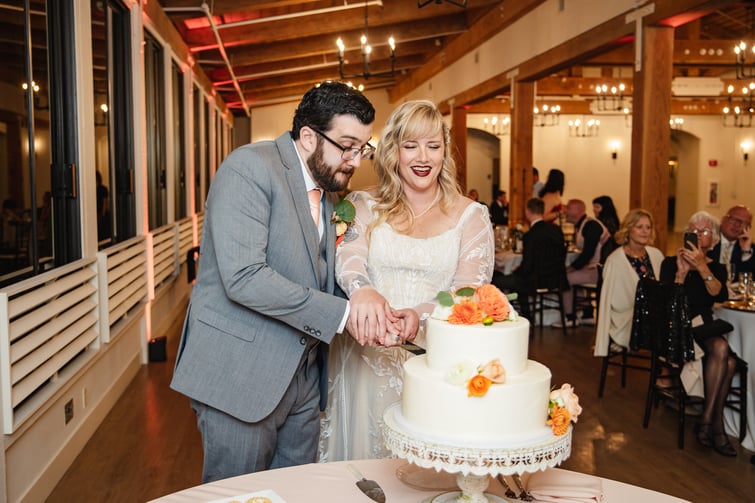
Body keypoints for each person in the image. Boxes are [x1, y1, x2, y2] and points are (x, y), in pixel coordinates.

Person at [171, 82, 404, 482]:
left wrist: (373, 317)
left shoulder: (330, 193)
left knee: (295, 492)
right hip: (240, 378)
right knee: (238, 495)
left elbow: (315, 275)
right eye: (346, 146)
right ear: (309, 136)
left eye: (361, 149)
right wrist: (344, 314)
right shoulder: (248, 168)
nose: (354, 161)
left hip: (303, 381)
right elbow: (244, 278)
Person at [320, 100, 495, 461]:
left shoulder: (471, 216)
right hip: (363, 360)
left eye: (433, 146)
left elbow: (469, 290)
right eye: (411, 145)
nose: (423, 157)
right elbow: (348, 258)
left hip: (434, 364)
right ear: (393, 150)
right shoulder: (361, 204)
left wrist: (422, 315)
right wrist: (363, 290)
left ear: (445, 151)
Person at [659, 211, 735, 456]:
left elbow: (719, 295)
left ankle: (706, 421)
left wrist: (702, 267)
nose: (699, 234)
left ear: (712, 240)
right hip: (679, 329)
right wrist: (681, 274)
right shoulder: (670, 264)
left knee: (724, 352)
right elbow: (667, 306)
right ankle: (715, 425)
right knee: (727, 359)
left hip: (705, 327)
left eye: (704, 231)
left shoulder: (718, 268)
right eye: (694, 230)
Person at [594, 209, 664, 357]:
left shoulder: (656, 255)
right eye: (639, 227)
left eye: (648, 227)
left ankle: (669, 373)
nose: (645, 231)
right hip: (627, 321)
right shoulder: (615, 260)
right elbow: (609, 302)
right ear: (628, 229)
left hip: (654, 316)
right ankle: (666, 373)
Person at [494, 197, 566, 321]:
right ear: (542, 211)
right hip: (557, 278)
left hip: (537, 280)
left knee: (499, 281)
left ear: (527, 212)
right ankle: (526, 316)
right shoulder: (556, 230)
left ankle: (520, 316)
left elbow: (527, 266)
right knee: (519, 278)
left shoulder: (531, 235)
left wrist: (515, 271)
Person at [553, 199, 609, 328]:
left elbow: (588, 253)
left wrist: (572, 268)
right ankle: (587, 314)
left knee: (565, 278)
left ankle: (570, 317)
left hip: (600, 270)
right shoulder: (583, 225)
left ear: (579, 210)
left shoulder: (590, 225)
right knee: (573, 278)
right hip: (593, 268)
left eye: (569, 208)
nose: (565, 211)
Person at [707, 205, 753, 281]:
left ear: (747, 228)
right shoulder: (708, 241)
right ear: (722, 220)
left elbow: (748, 281)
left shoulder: (749, 247)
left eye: (743, 223)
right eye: (733, 219)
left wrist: (746, 252)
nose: (737, 225)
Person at [592, 195, 620, 264]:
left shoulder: (603, 222)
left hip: (605, 253)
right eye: (594, 207)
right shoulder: (614, 220)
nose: (594, 210)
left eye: (597, 207)